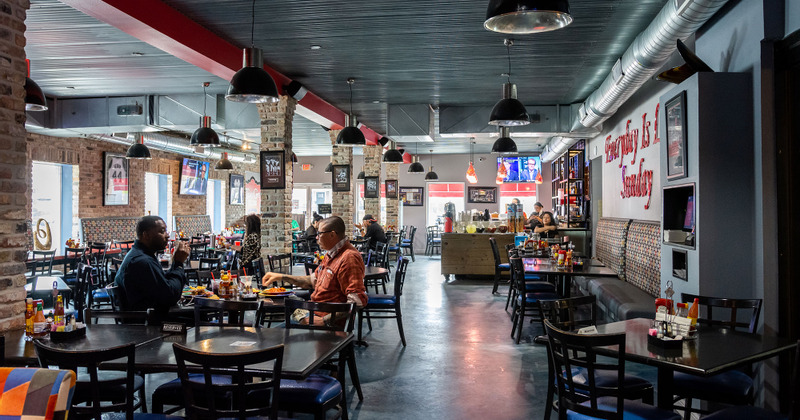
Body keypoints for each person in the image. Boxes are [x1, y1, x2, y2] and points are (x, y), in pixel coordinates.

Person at [262, 216, 367, 325]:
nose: (316, 237)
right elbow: (312, 281)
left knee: (272, 336)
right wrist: (282, 277)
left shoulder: (349, 258)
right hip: (312, 312)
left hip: (326, 324)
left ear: (332, 235)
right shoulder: (331, 254)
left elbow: (357, 301)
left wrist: (324, 321)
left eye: (319, 234)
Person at [115, 215, 190, 322]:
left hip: (147, 316)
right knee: (200, 316)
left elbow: (163, 285)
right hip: (147, 324)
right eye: (162, 231)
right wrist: (178, 264)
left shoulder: (139, 255)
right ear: (146, 235)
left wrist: (175, 265)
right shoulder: (142, 261)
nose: (167, 236)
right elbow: (170, 297)